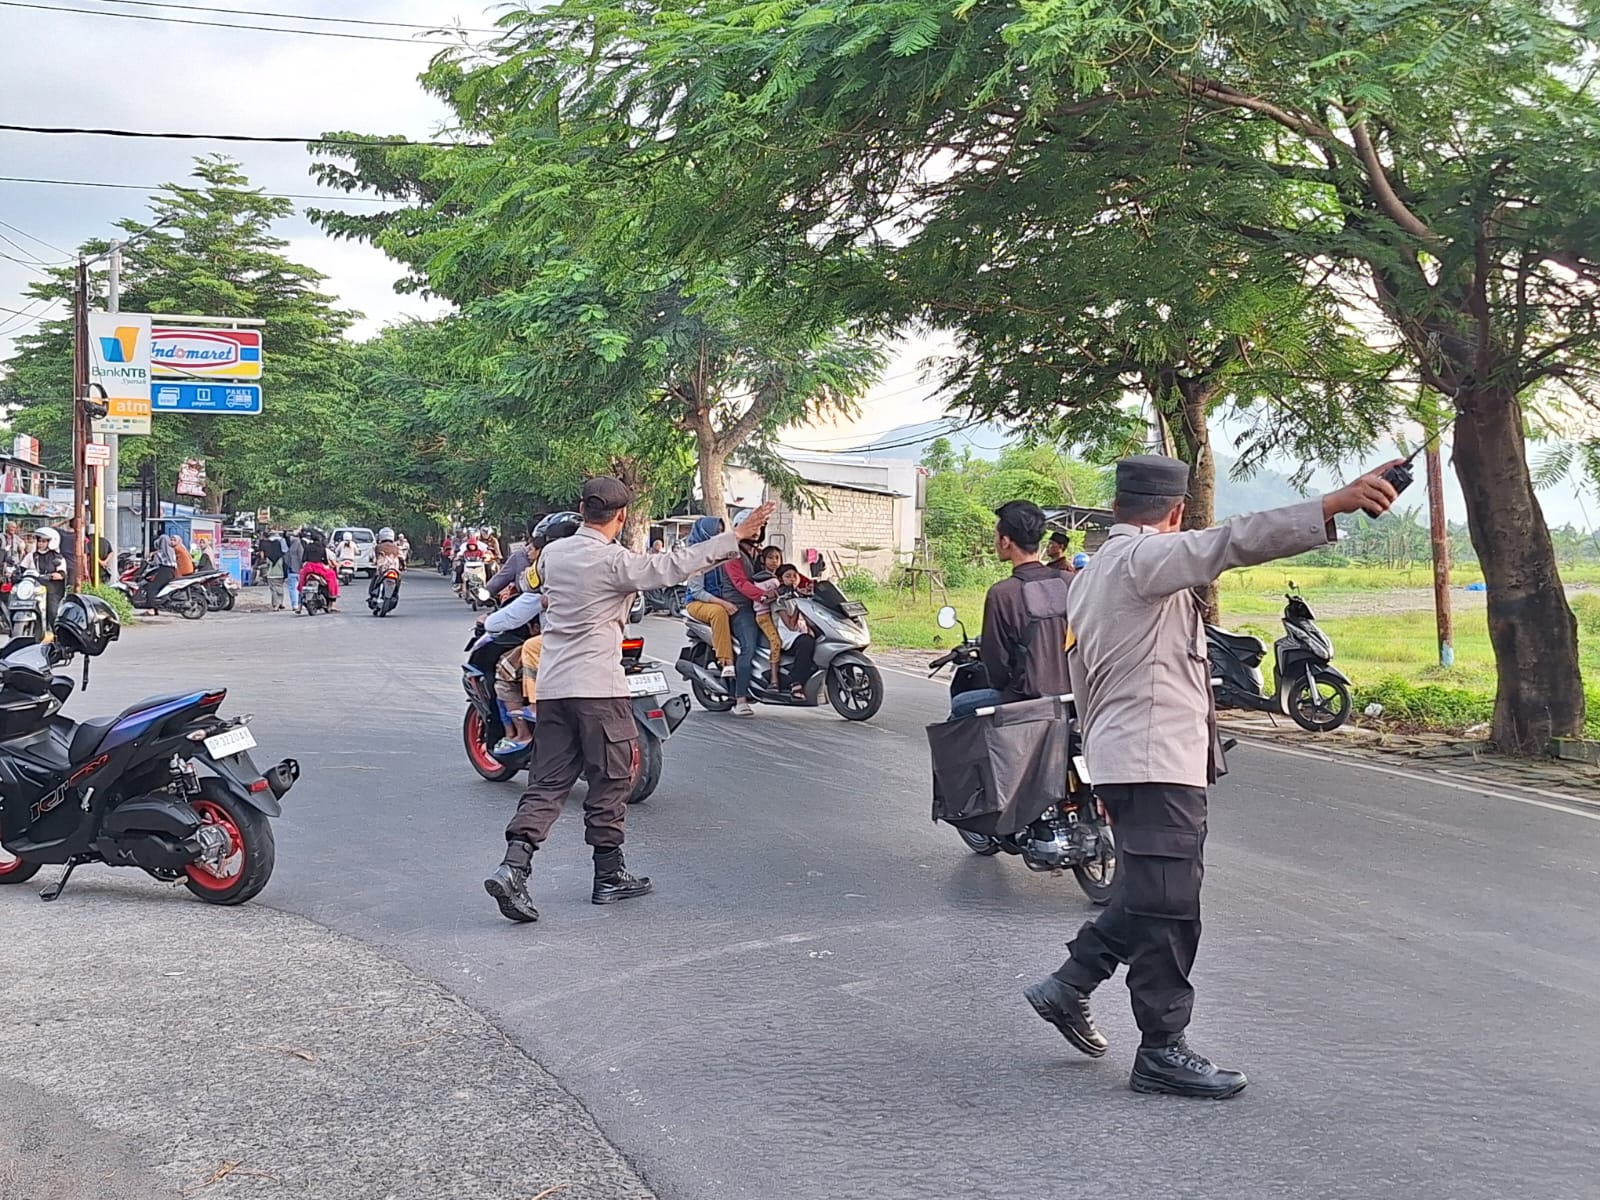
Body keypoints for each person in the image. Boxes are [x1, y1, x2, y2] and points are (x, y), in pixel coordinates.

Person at [1021, 454, 1402, 1100]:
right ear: (1174, 515)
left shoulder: (1092, 573)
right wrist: (1331, 504)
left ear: (1117, 507)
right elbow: (1231, 541)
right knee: (1170, 903)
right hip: (1149, 761)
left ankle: (1070, 982)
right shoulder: (1144, 560)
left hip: (1136, 759)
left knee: (1151, 886)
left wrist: (1106, 765)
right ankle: (1161, 1050)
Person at [483, 479, 773, 924]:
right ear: (621, 518)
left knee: (547, 783)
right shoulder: (617, 562)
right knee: (612, 778)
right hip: (598, 688)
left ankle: (513, 867)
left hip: (555, 687)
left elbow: (527, 579)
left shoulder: (554, 554)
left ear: (582, 510)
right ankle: (608, 875)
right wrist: (734, 536)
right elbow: (676, 565)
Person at [977, 500, 1073, 706]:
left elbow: (996, 663)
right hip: (1073, 697)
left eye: (996, 535)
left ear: (1005, 541)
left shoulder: (1002, 594)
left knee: (961, 705)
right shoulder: (1070, 582)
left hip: (1025, 700)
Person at [683, 517, 739, 684]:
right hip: (697, 603)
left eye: (721, 531)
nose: (719, 535)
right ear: (705, 532)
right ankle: (726, 661)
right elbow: (697, 591)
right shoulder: (696, 555)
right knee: (718, 613)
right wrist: (723, 603)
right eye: (716, 531)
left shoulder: (721, 553)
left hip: (721, 599)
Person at [719, 534, 768, 716]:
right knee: (749, 647)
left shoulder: (759, 553)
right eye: (753, 530)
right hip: (741, 607)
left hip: (763, 605)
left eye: (759, 529)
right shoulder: (733, 555)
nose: (756, 534)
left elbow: (782, 571)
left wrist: (808, 584)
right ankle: (741, 699)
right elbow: (740, 582)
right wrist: (762, 595)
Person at [774, 563, 817, 697]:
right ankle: (796, 682)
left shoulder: (798, 595)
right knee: (806, 642)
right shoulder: (779, 600)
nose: (792, 579)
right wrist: (799, 605)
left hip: (800, 631)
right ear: (780, 580)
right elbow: (791, 625)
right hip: (788, 636)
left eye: (795, 576)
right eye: (788, 576)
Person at [751, 544, 786, 690]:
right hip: (764, 615)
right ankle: (773, 680)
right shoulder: (763, 579)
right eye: (770, 558)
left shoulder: (777, 578)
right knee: (776, 642)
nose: (774, 561)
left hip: (775, 614)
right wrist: (777, 593)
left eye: (777, 558)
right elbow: (763, 597)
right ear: (763, 560)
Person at [30, 528, 67, 629]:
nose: (40, 543)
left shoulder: (58, 557)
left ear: (51, 542)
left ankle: (56, 634)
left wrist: (57, 575)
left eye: (44, 541)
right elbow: (22, 568)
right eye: (39, 541)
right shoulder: (32, 555)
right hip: (34, 587)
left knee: (52, 612)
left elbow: (62, 573)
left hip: (51, 590)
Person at [299, 529, 340, 612]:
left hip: (308, 568)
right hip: (319, 567)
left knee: (301, 582)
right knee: (332, 576)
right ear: (320, 539)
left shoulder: (307, 547)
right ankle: (332, 596)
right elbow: (325, 560)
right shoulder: (322, 548)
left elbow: (304, 559)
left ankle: (299, 605)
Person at [369, 527, 403, 608]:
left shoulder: (378, 547)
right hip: (395, 569)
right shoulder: (396, 547)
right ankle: (395, 593)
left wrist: (373, 562)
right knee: (398, 580)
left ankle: (372, 593)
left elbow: (372, 556)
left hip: (382, 570)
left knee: (375, 579)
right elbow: (402, 557)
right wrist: (403, 566)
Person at [285, 527, 305, 613]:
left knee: (293, 588)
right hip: (300, 570)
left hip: (291, 570)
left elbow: (286, 559)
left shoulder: (289, 548)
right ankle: (300, 604)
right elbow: (301, 557)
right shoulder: (299, 545)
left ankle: (295, 605)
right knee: (301, 588)